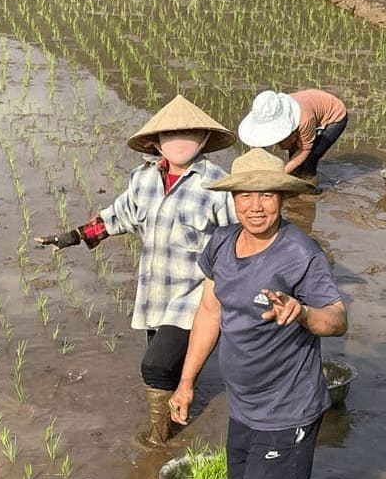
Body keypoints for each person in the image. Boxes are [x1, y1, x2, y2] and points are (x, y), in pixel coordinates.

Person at [168, 148, 347, 479]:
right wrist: (186, 382)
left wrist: (302, 312)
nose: (256, 205)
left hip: (287, 412)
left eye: (267, 195)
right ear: (233, 199)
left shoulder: (300, 253)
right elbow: (210, 311)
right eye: (245, 195)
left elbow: (338, 319)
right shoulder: (222, 245)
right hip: (244, 408)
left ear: (282, 199)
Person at [35, 94, 236, 446]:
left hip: (196, 295)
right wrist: (73, 236)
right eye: (169, 135)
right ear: (155, 141)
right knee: (165, 365)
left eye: (189, 134)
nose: (179, 142)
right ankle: (177, 405)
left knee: (154, 367)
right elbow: (120, 216)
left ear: (203, 139)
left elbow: (238, 235)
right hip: (155, 292)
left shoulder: (217, 185)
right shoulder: (143, 179)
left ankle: (159, 439)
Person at [238, 89, 348, 185]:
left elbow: (305, 149)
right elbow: (257, 145)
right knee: (293, 158)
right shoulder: (265, 112)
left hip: (334, 117)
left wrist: (280, 173)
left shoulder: (305, 119)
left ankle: (310, 190)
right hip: (311, 106)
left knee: (310, 160)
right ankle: (293, 182)